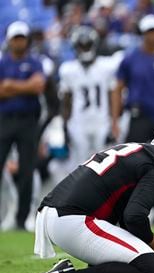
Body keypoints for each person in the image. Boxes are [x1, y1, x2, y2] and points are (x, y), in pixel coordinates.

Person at [33, 119, 154, 273]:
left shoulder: (143, 153)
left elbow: (127, 220)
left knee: (126, 265)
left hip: (63, 215)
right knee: (152, 269)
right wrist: (153, 241)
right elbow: (134, 216)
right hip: (72, 218)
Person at [0, 21, 46, 230]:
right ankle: (6, 214)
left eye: (22, 38)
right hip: (6, 119)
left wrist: (11, 86)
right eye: (15, 38)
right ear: (9, 40)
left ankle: (22, 218)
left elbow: (38, 86)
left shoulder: (35, 62)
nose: (19, 42)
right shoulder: (3, 63)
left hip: (28, 120)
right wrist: (24, 86)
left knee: (27, 169)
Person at [59, 26, 123, 171]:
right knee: (81, 167)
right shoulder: (68, 70)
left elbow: (113, 94)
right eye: (81, 45)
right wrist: (65, 125)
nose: (84, 48)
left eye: (87, 45)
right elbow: (66, 99)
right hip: (78, 122)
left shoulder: (106, 66)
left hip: (101, 121)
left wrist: (114, 121)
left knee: (106, 166)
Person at [111, 14, 154, 144]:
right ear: (142, 33)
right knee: (135, 156)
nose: (152, 34)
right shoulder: (130, 59)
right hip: (138, 116)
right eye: (149, 31)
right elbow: (118, 89)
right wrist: (115, 120)